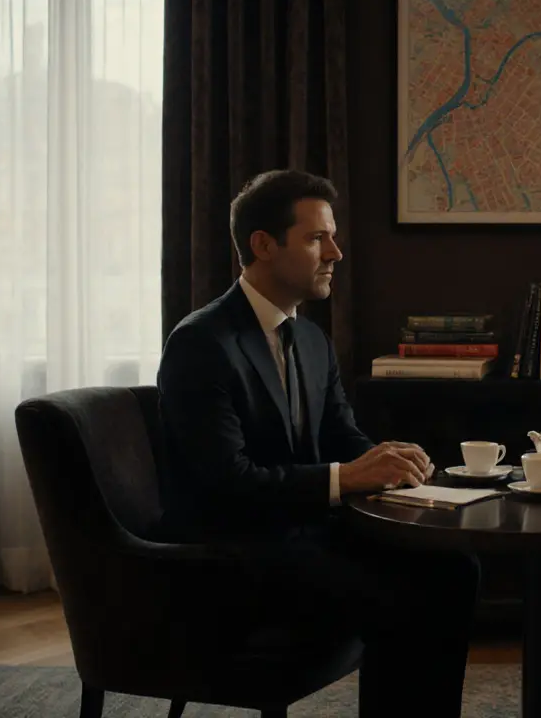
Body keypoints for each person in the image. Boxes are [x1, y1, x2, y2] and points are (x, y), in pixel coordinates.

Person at [155, 169, 478, 718]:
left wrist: (390, 462)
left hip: (304, 536)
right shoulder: (202, 342)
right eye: (315, 238)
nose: (336, 252)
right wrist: (348, 477)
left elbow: (341, 436)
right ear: (263, 245)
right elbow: (228, 482)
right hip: (233, 555)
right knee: (402, 599)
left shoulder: (310, 337)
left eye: (332, 236)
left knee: (455, 568)